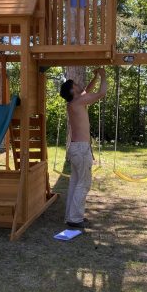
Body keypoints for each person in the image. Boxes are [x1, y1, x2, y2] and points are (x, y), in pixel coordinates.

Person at [59, 68, 107, 229]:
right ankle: (75, 218)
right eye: (75, 84)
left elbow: (87, 90)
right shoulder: (78, 102)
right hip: (80, 149)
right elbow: (101, 93)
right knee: (84, 183)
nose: (79, 84)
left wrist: (95, 76)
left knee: (75, 183)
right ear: (72, 89)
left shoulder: (74, 102)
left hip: (76, 148)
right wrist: (103, 75)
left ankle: (71, 216)